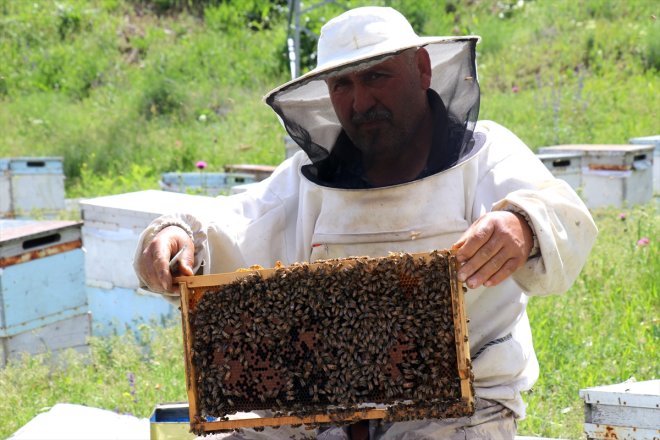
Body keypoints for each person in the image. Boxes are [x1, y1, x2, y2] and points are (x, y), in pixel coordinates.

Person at [134, 6, 597, 439]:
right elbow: (230, 226)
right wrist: (175, 237)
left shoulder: (487, 154)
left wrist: (523, 224)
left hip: (465, 406)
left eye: (377, 77)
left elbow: (560, 212)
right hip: (329, 409)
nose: (360, 101)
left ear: (421, 69)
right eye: (343, 85)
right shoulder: (307, 181)